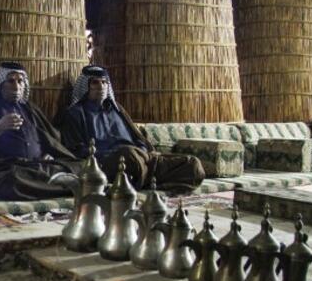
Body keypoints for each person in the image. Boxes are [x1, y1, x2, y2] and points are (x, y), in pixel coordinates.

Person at [59, 65, 205, 191]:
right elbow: (75, 149)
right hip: (109, 163)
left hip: (142, 159)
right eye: (95, 83)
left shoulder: (118, 110)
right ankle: (148, 178)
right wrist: (112, 154)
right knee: (128, 155)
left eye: (104, 82)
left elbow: (137, 138)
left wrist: (142, 149)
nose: (101, 87)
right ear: (85, 87)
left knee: (193, 164)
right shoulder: (75, 114)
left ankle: (144, 178)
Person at [0, 62, 80, 200]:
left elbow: (50, 137)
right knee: (12, 183)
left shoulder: (30, 108)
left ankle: (55, 186)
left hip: (36, 165)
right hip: (6, 168)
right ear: (2, 84)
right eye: (11, 81)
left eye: (20, 81)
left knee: (77, 168)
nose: (16, 86)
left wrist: (48, 154)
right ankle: (66, 188)